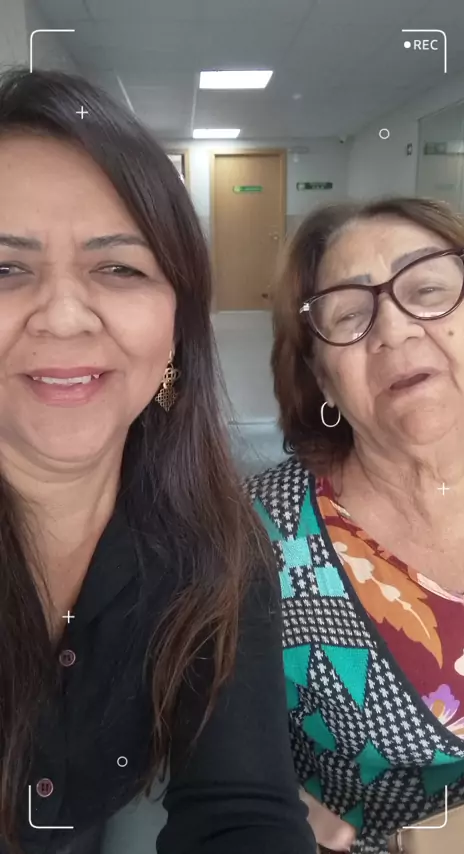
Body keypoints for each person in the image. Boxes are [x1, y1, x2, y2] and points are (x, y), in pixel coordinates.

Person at [0, 67, 316, 854]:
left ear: (178, 323)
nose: (65, 318)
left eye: (120, 268)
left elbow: (243, 810)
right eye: (3, 269)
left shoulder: (216, 542)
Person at [245, 197, 464, 853]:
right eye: (350, 315)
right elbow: (184, 727)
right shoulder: (254, 534)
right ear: (321, 378)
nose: (395, 331)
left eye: (427, 291)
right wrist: (265, 801)